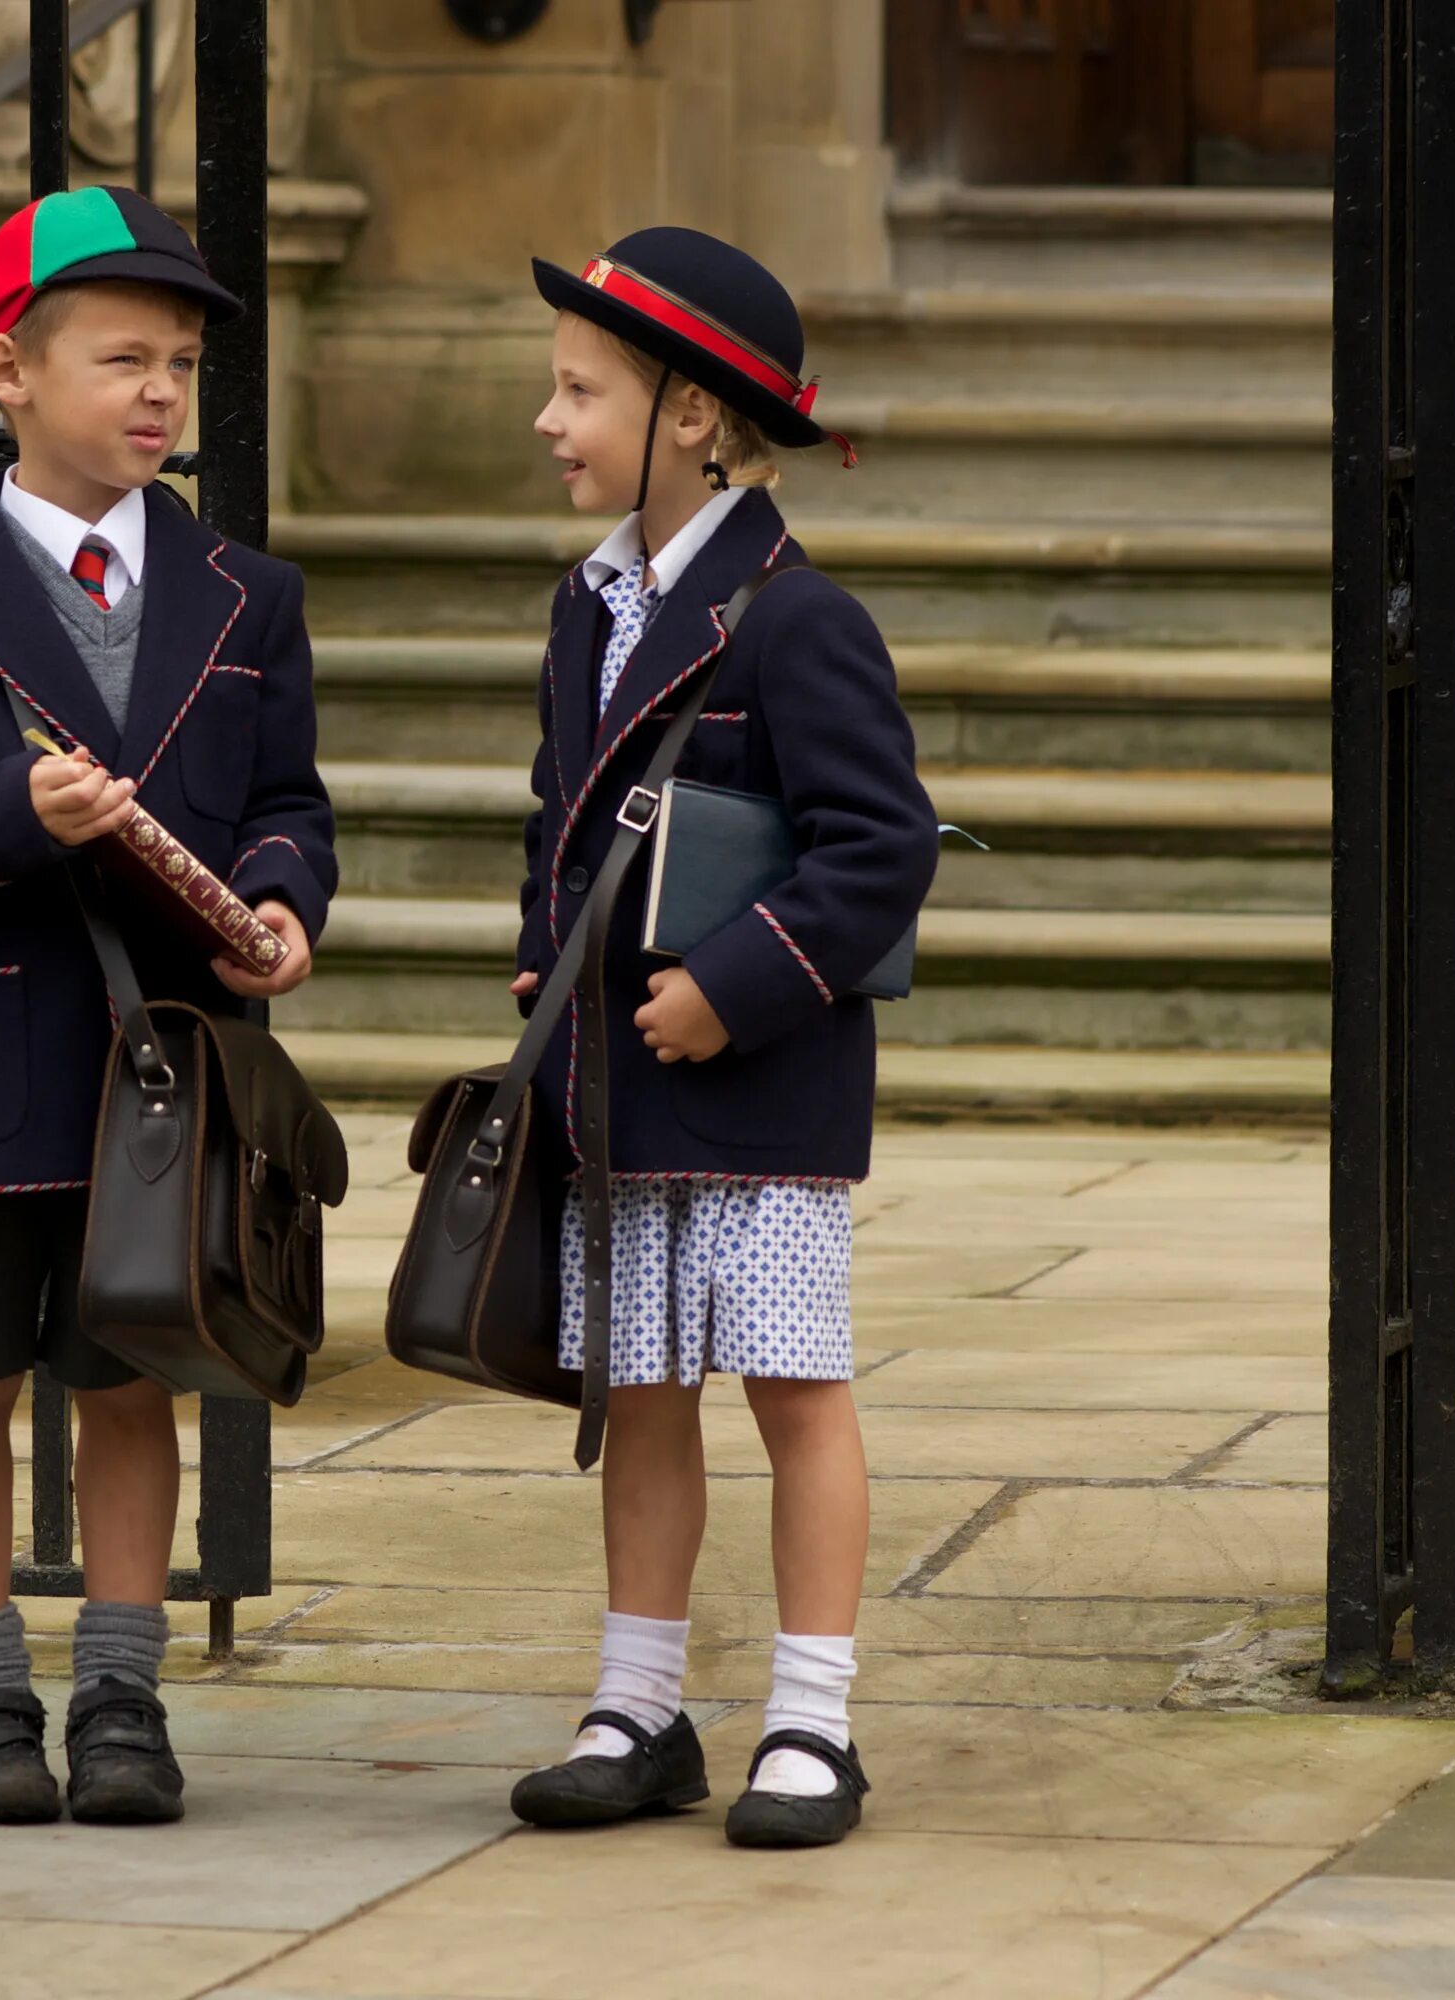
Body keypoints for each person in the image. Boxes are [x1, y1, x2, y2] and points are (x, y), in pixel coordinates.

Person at [0, 185, 335, 1827]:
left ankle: (123, 1695)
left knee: (132, 1379)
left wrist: (281, 905)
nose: (162, 392)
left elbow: (292, 806)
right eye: (125, 357)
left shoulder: (251, 597)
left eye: (181, 363)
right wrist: (5, 815)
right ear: (6, 373)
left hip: (168, 1064)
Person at [500, 228, 937, 1849]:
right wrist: (546, 1015)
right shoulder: (591, 604)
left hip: (761, 1094)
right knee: (643, 1390)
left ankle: (814, 1724)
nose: (550, 419)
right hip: (615, 1092)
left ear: (692, 414)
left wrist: (731, 985)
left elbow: (878, 851)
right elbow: (562, 827)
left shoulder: (800, 619)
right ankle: (640, 1704)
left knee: (794, 1392)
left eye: (578, 388)